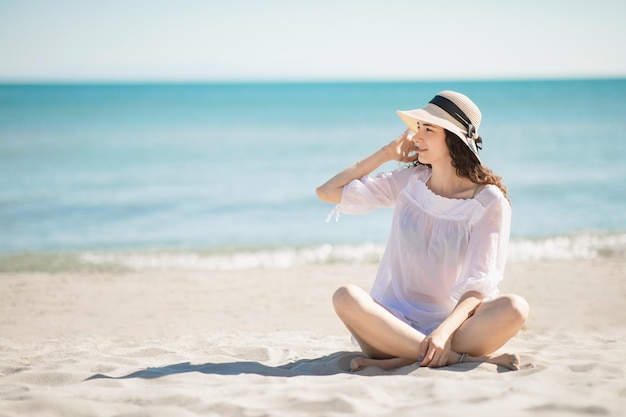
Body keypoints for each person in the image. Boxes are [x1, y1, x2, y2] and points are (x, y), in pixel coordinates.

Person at [316, 91, 529, 371]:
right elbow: (327, 192)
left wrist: (442, 333)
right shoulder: (411, 181)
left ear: (453, 139)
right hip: (389, 326)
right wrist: (387, 153)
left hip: (454, 330)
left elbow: (478, 285)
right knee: (345, 296)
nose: (416, 137)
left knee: (515, 308)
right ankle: (454, 359)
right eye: (419, 128)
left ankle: (409, 356)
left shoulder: (489, 202)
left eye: (428, 129)